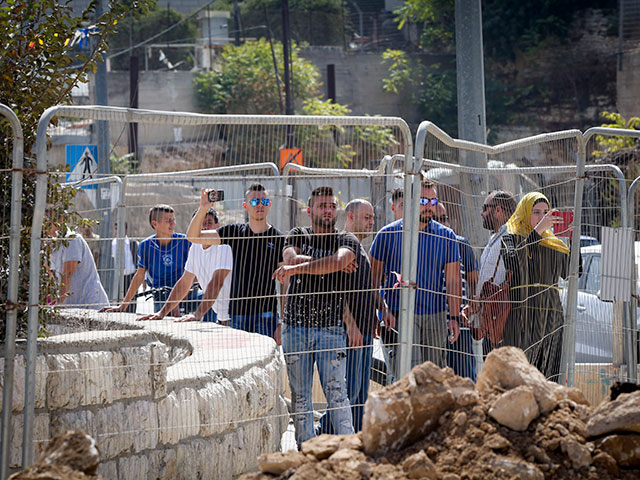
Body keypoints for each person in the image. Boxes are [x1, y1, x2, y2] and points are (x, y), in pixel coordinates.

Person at [273, 186, 360, 447]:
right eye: (322, 206)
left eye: (332, 206)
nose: (328, 210)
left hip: (330, 329)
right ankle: (307, 450)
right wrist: (330, 262)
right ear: (309, 210)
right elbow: (289, 257)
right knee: (300, 397)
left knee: (337, 395)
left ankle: (349, 449)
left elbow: (337, 260)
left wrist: (297, 268)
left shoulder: (346, 239)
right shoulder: (297, 233)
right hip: (295, 327)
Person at [370, 180, 461, 377]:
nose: (429, 206)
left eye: (433, 201)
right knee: (408, 378)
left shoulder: (447, 236)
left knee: (433, 379)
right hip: (398, 316)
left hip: (435, 318)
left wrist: (454, 316)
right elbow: (372, 282)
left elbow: (453, 281)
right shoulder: (387, 235)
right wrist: (380, 311)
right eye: (423, 200)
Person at [317, 199, 394, 433]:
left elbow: (369, 288)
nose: (371, 222)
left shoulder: (361, 249)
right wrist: (350, 324)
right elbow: (333, 288)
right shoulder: (340, 245)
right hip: (345, 334)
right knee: (345, 392)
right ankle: (325, 435)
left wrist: (383, 308)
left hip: (364, 333)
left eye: (372, 218)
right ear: (350, 216)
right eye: (366, 217)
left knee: (359, 392)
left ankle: (354, 439)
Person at [186, 183, 284, 342]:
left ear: (269, 205)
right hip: (238, 314)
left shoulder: (278, 238)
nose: (260, 205)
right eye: (254, 201)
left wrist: (282, 323)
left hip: (267, 315)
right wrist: (203, 208)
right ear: (245, 206)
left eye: (264, 201)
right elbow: (193, 237)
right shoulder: (234, 232)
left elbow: (285, 284)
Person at [501, 192, 572, 380]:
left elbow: (573, 272)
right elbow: (515, 263)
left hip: (551, 316)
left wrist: (572, 238)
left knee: (549, 377)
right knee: (522, 377)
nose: (542, 217)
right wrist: (537, 232)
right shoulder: (510, 238)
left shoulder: (553, 243)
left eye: (545, 213)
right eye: (536, 212)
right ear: (524, 212)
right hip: (522, 318)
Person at [137, 208, 232, 323]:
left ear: (218, 226)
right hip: (222, 315)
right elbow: (185, 282)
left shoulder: (224, 247)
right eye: (201, 224)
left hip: (236, 314)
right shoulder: (195, 247)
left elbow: (216, 283)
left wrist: (198, 315)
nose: (204, 227)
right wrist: (162, 313)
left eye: (209, 223)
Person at [100, 205, 191, 314]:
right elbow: (139, 276)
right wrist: (123, 306)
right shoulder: (146, 246)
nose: (173, 224)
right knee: (167, 316)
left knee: (205, 301)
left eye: (173, 220)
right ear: (155, 224)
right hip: (161, 294)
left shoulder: (184, 241)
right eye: (168, 221)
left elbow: (194, 269)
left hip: (187, 290)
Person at [462, 191, 517, 372]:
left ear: (498, 210)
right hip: (490, 322)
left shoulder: (509, 238)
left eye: (485, 208)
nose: (481, 213)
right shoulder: (495, 238)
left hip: (501, 324)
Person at [433, 202, 479, 381]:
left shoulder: (460, 244)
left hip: (459, 328)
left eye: (443, 219)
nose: (441, 223)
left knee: (464, 382)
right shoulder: (420, 243)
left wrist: (470, 304)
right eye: (436, 219)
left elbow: (474, 282)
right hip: (432, 326)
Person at [47, 218, 109, 310]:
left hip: (90, 304)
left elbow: (67, 274)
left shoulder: (71, 239)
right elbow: (50, 275)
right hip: (73, 305)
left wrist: (59, 304)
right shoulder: (51, 243)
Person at [111, 222, 139, 313]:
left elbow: (138, 261)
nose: (117, 231)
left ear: (126, 230)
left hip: (131, 277)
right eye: (116, 229)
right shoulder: (112, 244)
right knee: (117, 301)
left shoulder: (133, 243)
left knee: (132, 302)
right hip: (117, 278)